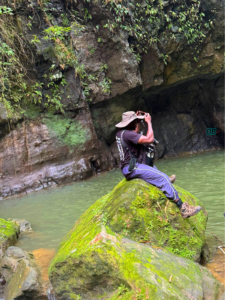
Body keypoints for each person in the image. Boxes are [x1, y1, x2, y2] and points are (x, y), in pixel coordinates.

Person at [115, 111, 202, 219]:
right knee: (161, 177)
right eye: (135, 121)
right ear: (131, 123)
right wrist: (148, 122)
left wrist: (138, 120)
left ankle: (165, 180)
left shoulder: (121, 133)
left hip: (128, 167)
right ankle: (183, 208)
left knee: (152, 168)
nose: (136, 123)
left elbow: (135, 133)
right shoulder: (129, 134)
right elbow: (149, 139)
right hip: (132, 168)